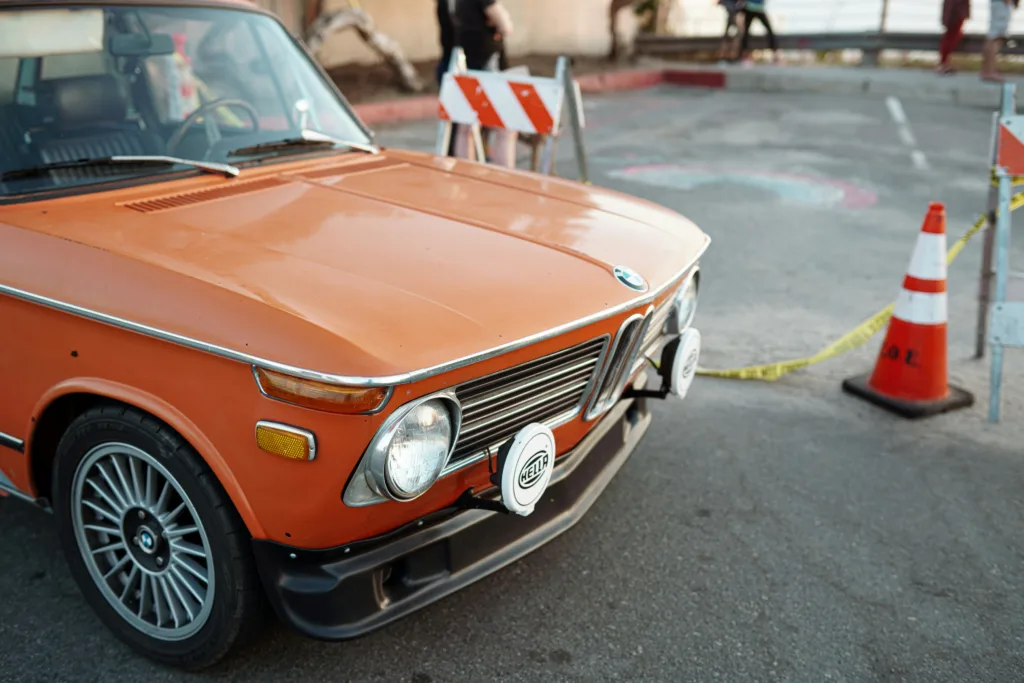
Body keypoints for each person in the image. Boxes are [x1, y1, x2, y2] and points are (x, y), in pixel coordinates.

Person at [450, 0, 515, 164]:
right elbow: (505, 25)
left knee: (466, 125)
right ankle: (504, 175)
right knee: (505, 126)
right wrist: (501, 20)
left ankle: (465, 173)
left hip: (466, 61)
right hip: (487, 62)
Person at [982, 0, 1018, 82]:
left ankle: (986, 70)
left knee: (993, 37)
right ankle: (989, 71)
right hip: (1002, 4)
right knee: (996, 37)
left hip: (999, 3)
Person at [737, 0, 778, 64]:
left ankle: (775, 55)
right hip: (752, 8)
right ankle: (745, 55)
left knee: (746, 33)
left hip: (756, 8)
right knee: (746, 33)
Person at [938, 0, 970, 75]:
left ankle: (944, 63)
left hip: (954, 11)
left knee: (951, 36)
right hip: (956, 12)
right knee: (951, 37)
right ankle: (943, 64)